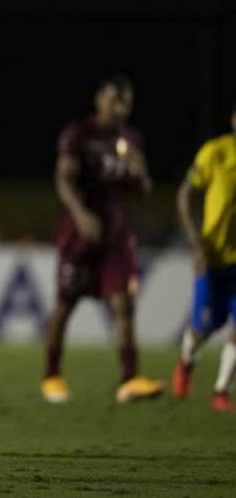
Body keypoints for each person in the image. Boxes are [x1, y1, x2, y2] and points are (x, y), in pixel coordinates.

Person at [41, 75, 164, 404]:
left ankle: (130, 379)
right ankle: (52, 375)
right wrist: (81, 215)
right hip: (80, 234)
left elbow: (144, 191)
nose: (121, 107)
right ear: (99, 99)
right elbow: (64, 180)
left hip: (117, 237)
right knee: (65, 305)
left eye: (126, 101)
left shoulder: (131, 138)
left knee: (124, 304)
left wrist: (138, 173)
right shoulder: (79, 134)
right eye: (115, 100)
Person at [173, 101, 236, 411]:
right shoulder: (216, 152)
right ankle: (187, 361)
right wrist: (195, 242)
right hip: (213, 260)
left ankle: (221, 391)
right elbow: (185, 194)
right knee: (202, 328)